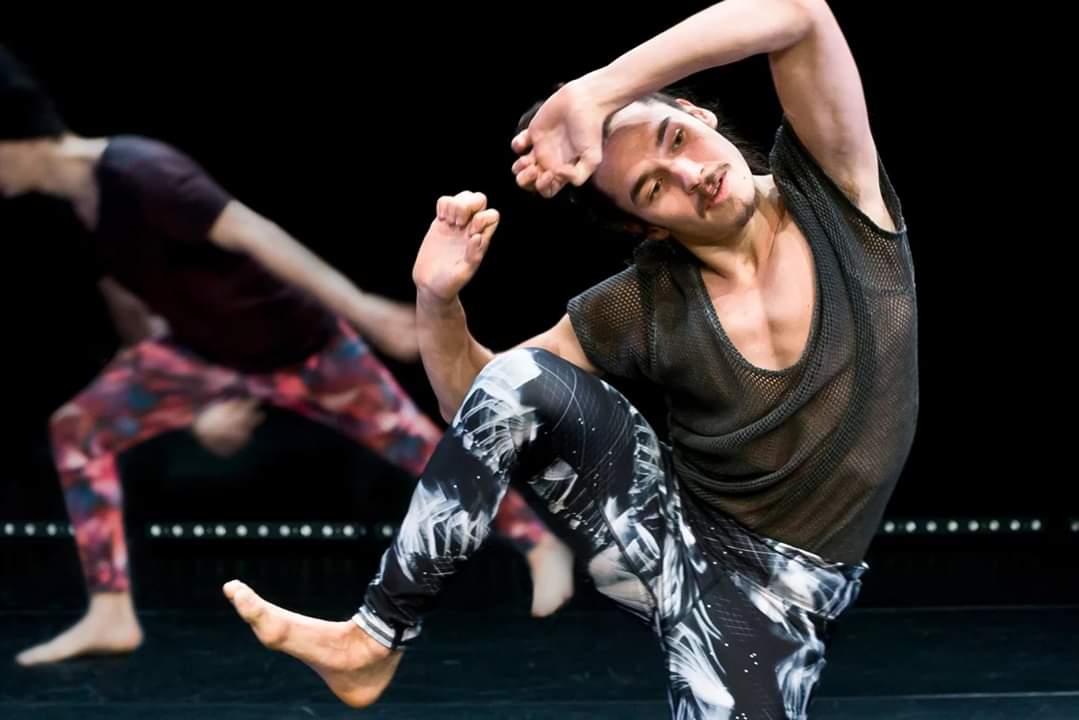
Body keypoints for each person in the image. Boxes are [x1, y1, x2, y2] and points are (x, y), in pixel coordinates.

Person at [224, 1, 918, 717]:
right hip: (662, 540)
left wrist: (601, 91)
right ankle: (374, 636)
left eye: (676, 138)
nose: (690, 174)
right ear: (643, 226)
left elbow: (799, 13)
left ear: (697, 113)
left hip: (781, 598)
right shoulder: (642, 303)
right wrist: (438, 303)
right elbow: (481, 409)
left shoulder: (833, 192)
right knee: (520, 379)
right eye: (654, 187)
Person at [1, 46, 573, 667]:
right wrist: (198, 404)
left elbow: (252, 231)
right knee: (78, 429)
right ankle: (111, 612)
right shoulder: (79, 207)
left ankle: (539, 544)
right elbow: (137, 311)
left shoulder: (139, 170)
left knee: (418, 448)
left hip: (303, 348)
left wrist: (361, 308)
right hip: (205, 354)